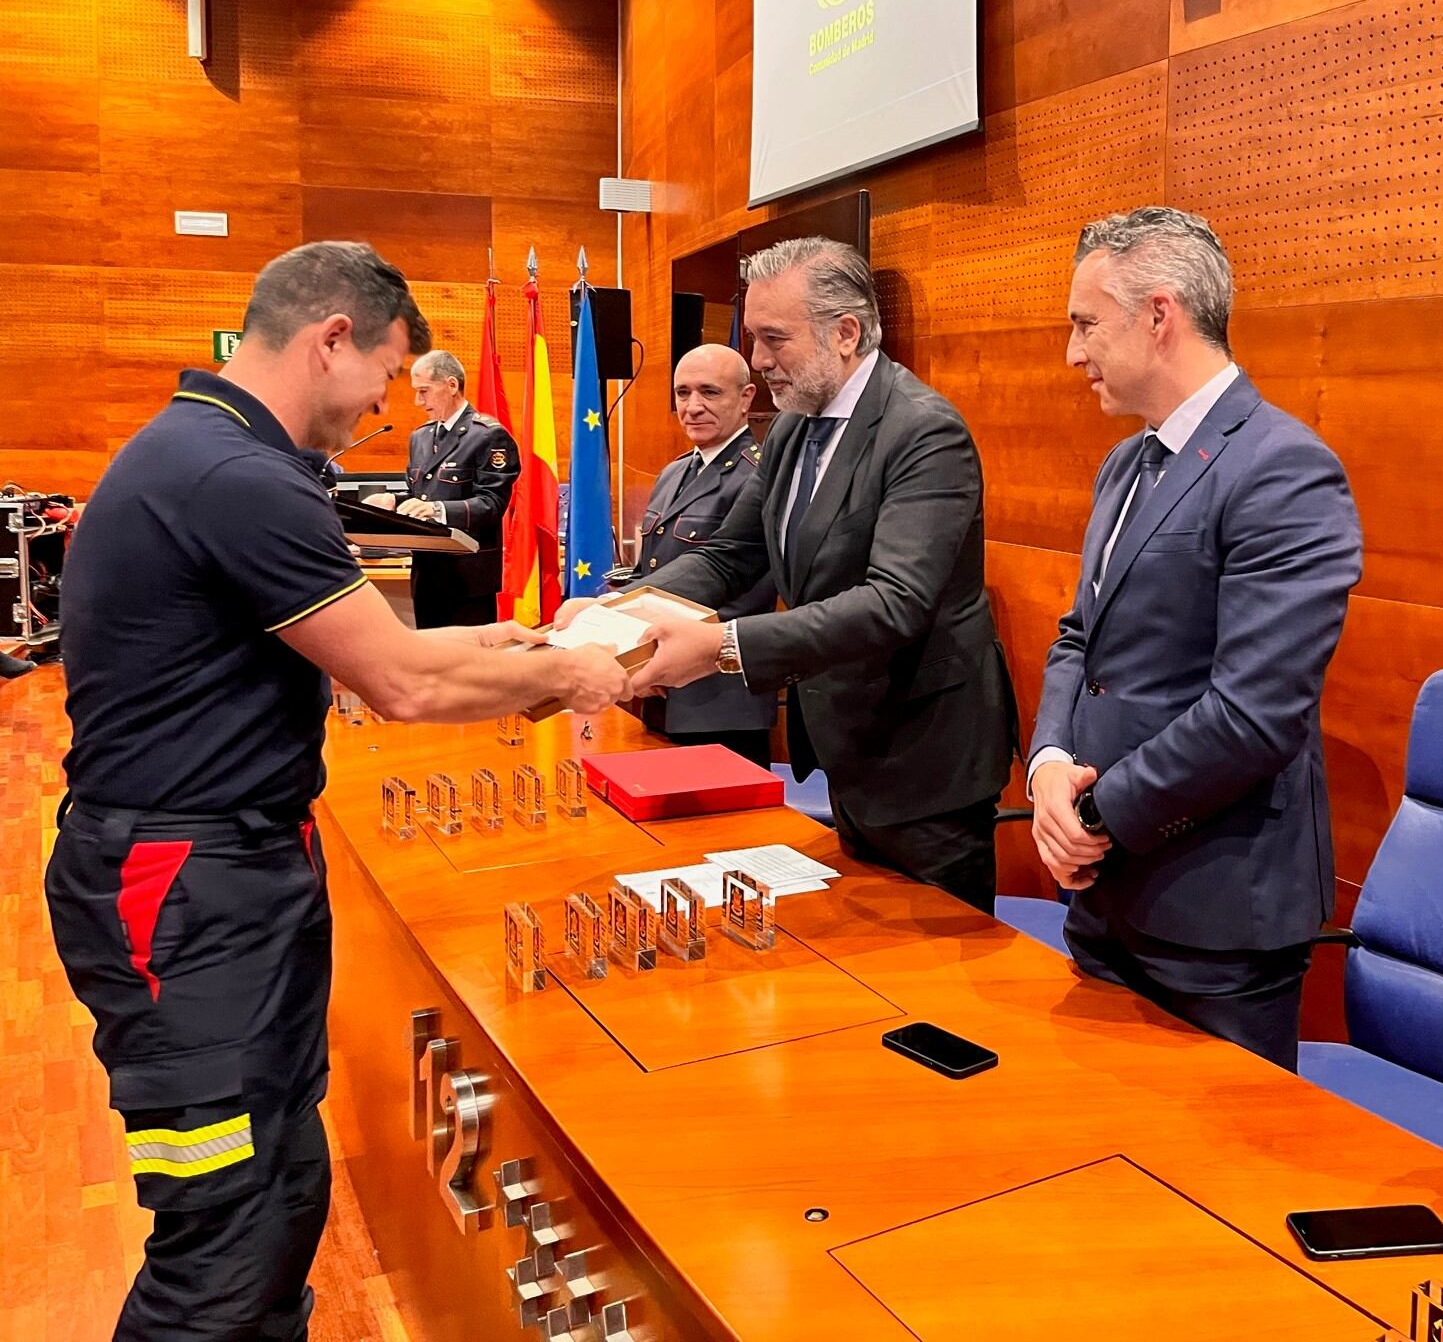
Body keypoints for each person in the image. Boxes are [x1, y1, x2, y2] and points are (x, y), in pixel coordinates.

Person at [48, 241, 628, 1342]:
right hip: (183, 891)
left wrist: (506, 638)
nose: (378, 413)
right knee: (220, 1237)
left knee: (276, 1194)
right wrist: (570, 673)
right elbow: (399, 679)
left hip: (219, 874)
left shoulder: (204, 452)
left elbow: (358, 640)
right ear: (331, 340)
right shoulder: (238, 478)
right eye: (382, 377)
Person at [1023, 208, 1360, 1071]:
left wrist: (1093, 816)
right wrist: (1050, 764)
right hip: (1103, 897)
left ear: (1159, 315)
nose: (1072, 352)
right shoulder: (1126, 461)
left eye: (1086, 324)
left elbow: (1253, 715)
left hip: (1214, 918)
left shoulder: (1283, 466)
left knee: (1215, 1194)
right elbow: (1079, 639)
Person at [590, 236, 1017, 914]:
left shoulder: (923, 431)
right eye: (754, 339)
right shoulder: (793, 428)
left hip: (925, 760)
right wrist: (615, 614)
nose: (758, 362)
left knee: (928, 989)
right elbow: (731, 556)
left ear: (845, 333)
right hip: (847, 747)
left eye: (774, 339)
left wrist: (726, 648)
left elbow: (895, 603)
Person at [634, 344, 775, 766]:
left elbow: (742, 586)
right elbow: (651, 568)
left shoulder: (760, 476)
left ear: (747, 397)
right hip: (660, 687)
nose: (692, 407)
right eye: (682, 393)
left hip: (722, 697)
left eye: (709, 393)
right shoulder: (673, 472)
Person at [363, 349, 520, 627]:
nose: (418, 401)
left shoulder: (487, 435)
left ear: (451, 385)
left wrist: (437, 509)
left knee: (468, 665)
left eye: (424, 391)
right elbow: (420, 496)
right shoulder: (420, 437)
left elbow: (492, 504)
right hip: (427, 573)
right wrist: (393, 502)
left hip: (467, 578)